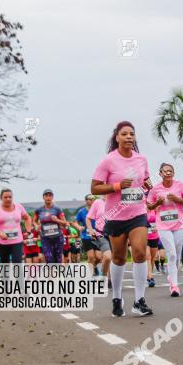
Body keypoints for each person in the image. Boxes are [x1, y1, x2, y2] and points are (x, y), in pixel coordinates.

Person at [91, 121, 153, 317]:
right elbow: (95, 188)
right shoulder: (108, 161)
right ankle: (117, 297)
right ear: (116, 137)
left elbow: (145, 181)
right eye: (124, 133)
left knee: (140, 253)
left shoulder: (141, 159)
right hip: (116, 216)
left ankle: (139, 300)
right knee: (118, 258)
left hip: (138, 213)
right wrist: (117, 186)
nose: (128, 137)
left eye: (131, 134)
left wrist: (147, 185)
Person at [146, 163, 183, 297]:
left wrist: (178, 199)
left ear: (173, 173)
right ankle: (174, 286)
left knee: (176, 255)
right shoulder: (155, 189)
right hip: (163, 226)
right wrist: (157, 204)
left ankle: (172, 277)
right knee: (171, 254)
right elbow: (149, 206)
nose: (168, 173)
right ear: (160, 173)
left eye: (170, 171)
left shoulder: (181, 185)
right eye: (165, 171)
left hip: (179, 225)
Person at [0, 188, 32, 264]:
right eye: (5, 197)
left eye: (10, 197)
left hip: (17, 241)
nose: (8, 199)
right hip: (2, 242)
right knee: (4, 264)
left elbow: (27, 218)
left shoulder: (19, 207)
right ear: (1, 198)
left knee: (17, 263)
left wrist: (28, 231)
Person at [33, 189, 69, 264]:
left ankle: (57, 273)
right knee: (48, 257)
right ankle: (51, 275)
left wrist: (57, 220)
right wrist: (36, 225)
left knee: (58, 258)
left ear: (52, 197)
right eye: (46, 195)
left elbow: (65, 223)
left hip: (57, 237)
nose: (48, 197)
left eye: (50, 196)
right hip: (45, 238)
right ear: (43, 197)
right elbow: (34, 221)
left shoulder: (57, 209)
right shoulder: (39, 210)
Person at [86, 195, 113, 282]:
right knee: (107, 256)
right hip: (100, 234)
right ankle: (104, 276)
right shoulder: (98, 202)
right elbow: (88, 218)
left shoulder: (117, 201)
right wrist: (91, 231)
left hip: (115, 234)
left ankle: (108, 278)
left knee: (114, 259)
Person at [75, 195, 100, 274]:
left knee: (98, 257)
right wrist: (79, 227)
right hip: (86, 236)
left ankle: (95, 266)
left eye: (93, 199)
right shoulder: (81, 211)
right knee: (91, 256)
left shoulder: (98, 210)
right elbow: (75, 222)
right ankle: (92, 274)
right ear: (86, 201)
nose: (92, 200)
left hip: (97, 235)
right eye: (90, 199)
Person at [145, 208, 160, 288]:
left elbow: (160, 219)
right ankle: (151, 278)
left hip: (154, 236)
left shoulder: (155, 209)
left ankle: (149, 274)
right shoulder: (141, 208)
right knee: (148, 256)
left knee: (152, 258)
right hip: (144, 235)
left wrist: (157, 226)